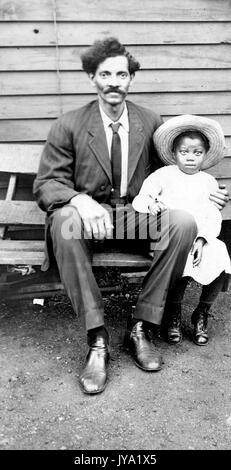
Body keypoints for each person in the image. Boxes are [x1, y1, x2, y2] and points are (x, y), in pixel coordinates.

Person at [33, 37, 229, 395]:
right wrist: (79, 199)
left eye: (121, 74)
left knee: (182, 222)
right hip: (89, 220)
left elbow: (174, 175)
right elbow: (47, 184)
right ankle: (97, 340)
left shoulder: (149, 122)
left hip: (135, 216)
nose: (113, 82)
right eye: (105, 73)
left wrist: (208, 194)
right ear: (91, 77)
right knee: (62, 222)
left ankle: (141, 327)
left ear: (131, 79)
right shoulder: (69, 124)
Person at [132, 114, 231, 346]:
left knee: (221, 256)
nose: (190, 158)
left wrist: (203, 239)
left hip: (200, 236)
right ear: (174, 153)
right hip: (174, 236)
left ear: (205, 155)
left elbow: (212, 215)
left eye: (197, 153)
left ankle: (202, 311)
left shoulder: (208, 182)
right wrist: (151, 203)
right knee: (179, 258)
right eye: (184, 152)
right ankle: (173, 313)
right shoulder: (163, 175)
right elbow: (140, 199)